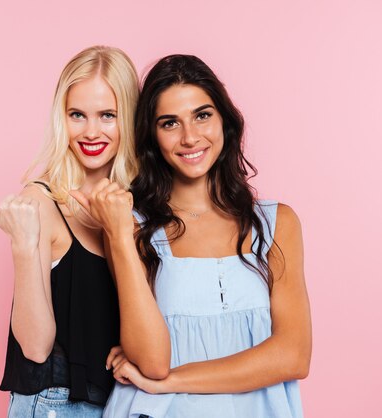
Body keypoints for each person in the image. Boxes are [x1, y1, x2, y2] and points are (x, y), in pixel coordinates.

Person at [71, 55, 312, 418]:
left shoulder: (277, 223)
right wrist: (119, 236)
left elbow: (293, 356)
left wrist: (172, 381)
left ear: (224, 120)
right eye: (170, 123)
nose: (190, 137)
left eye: (202, 115)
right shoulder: (132, 226)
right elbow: (149, 361)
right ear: (152, 136)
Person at [0, 46, 139, 417]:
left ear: (128, 117)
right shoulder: (40, 202)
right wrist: (23, 246)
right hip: (58, 406)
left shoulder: (137, 205)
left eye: (108, 115)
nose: (91, 131)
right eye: (77, 115)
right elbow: (35, 347)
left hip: (124, 402)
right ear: (60, 118)